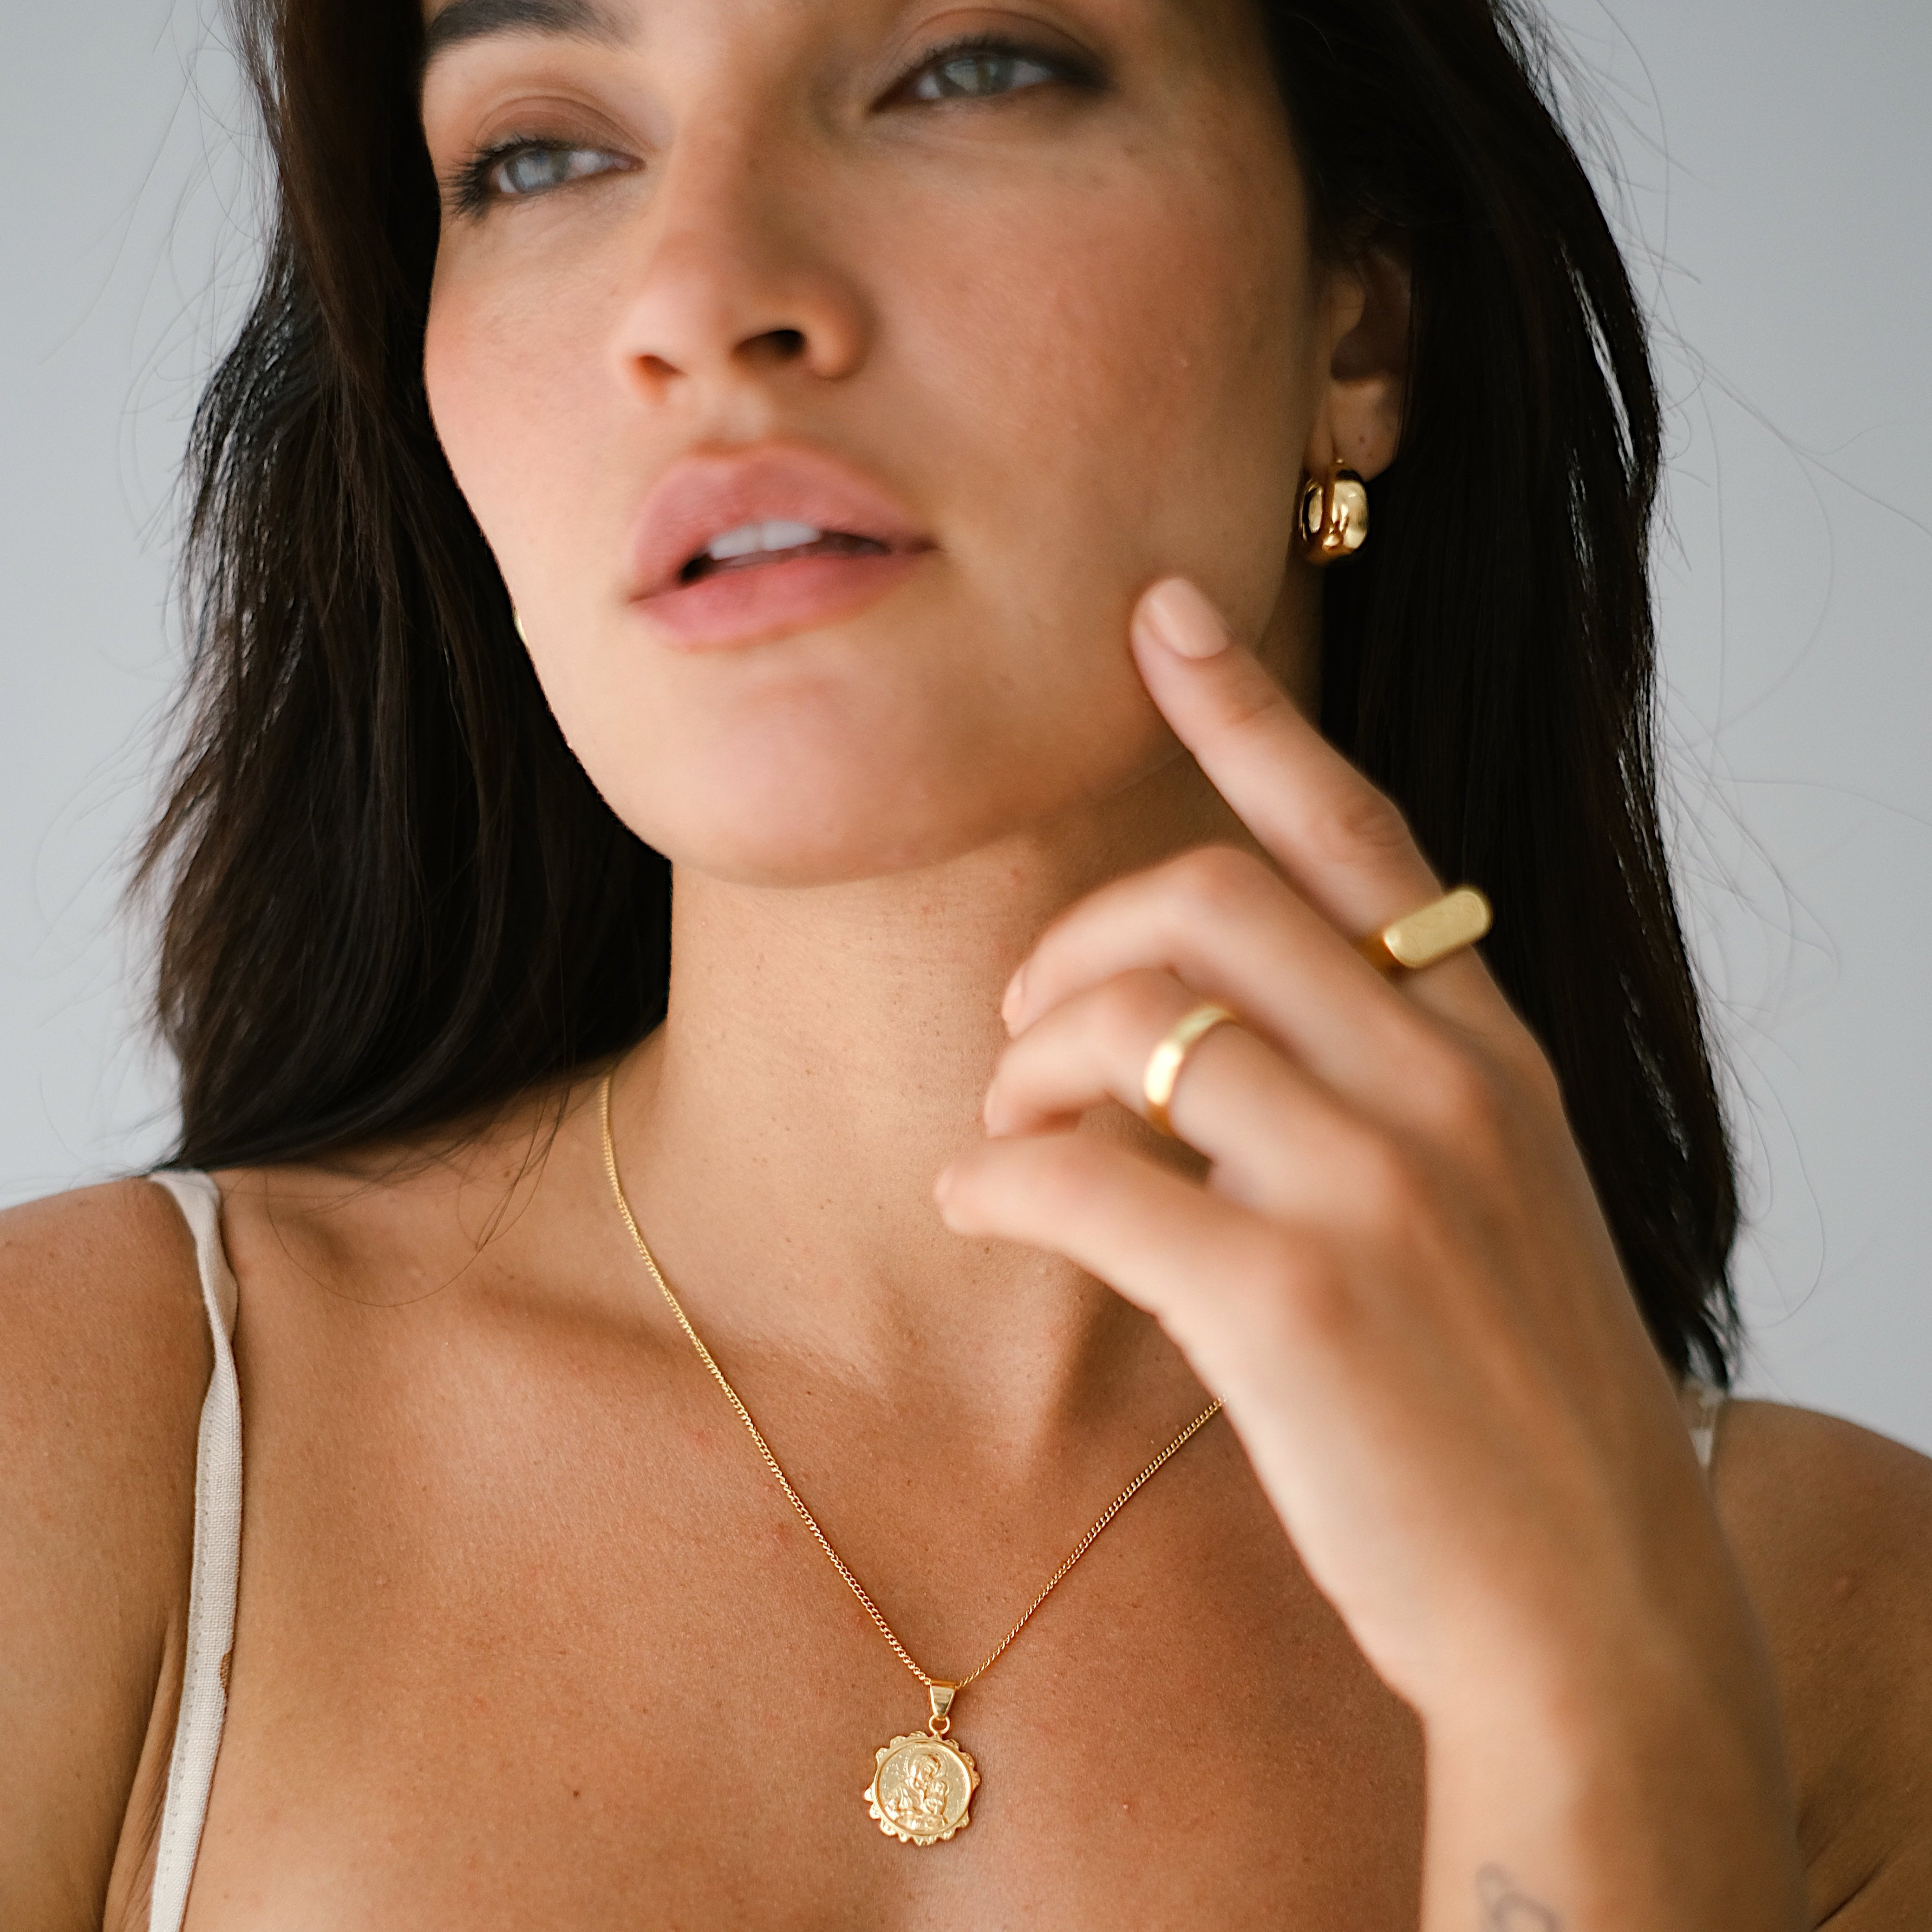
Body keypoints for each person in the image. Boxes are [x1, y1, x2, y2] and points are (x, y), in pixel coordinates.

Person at [2, 0, 1928, 1925]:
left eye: (966, 68)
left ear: (1356, 319)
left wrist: (1579, 1687)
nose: (701, 293)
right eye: (539, 152)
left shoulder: (1841, 1637)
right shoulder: (84, 1446)